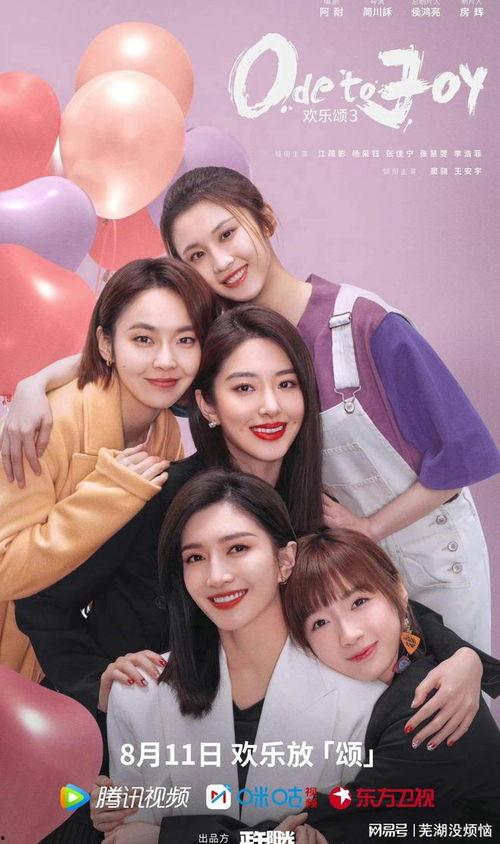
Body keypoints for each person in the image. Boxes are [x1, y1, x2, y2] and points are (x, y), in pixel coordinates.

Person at [3, 167, 498, 648]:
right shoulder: (223, 346)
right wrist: (36, 383)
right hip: (333, 574)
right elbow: (143, 356)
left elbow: (463, 456)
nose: (221, 262)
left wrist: (369, 529)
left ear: (266, 220)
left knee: (453, 687)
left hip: (426, 555)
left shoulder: (363, 324)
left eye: (228, 234)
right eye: (197, 255)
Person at [16, 307, 487, 747]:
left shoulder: (314, 507)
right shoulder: (158, 495)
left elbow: (364, 597)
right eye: (244, 388)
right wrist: (94, 682)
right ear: (207, 405)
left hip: (243, 743)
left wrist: (462, 655)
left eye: (286, 384)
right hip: (127, 737)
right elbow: (42, 602)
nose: (270, 407)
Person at [90, 472, 500, 844]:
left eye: (237, 548)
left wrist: (466, 657)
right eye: (195, 558)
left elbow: (338, 829)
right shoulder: (139, 694)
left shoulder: (384, 704)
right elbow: (121, 825)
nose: (217, 576)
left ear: (285, 560)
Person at [0, 256, 217, 682]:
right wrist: (110, 495)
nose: (166, 360)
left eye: (186, 340)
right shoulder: (49, 425)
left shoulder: (163, 432)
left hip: (68, 661)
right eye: (143, 339)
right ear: (105, 344)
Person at [282, 528, 500, 840]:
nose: (349, 634)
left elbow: (332, 823)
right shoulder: (411, 657)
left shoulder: (430, 707)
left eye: (359, 602)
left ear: (398, 589)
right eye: (320, 623)